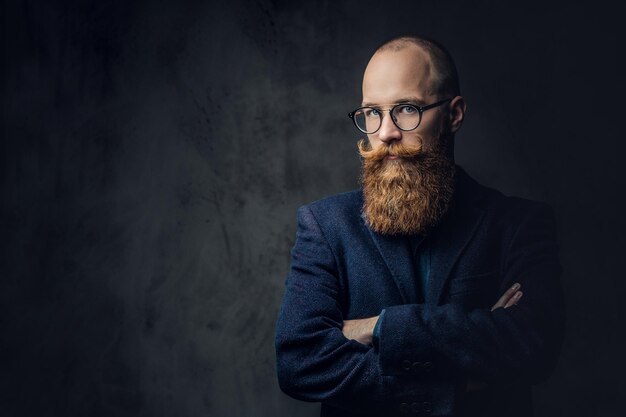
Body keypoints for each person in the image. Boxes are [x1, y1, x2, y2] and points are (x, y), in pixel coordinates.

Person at [274, 35, 564, 417]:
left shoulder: (519, 225)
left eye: (407, 109)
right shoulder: (324, 226)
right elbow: (299, 362)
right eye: (371, 113)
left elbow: (533, 348)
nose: (385, 132)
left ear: (454, 115)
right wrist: (456, 381)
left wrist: (378, 327)